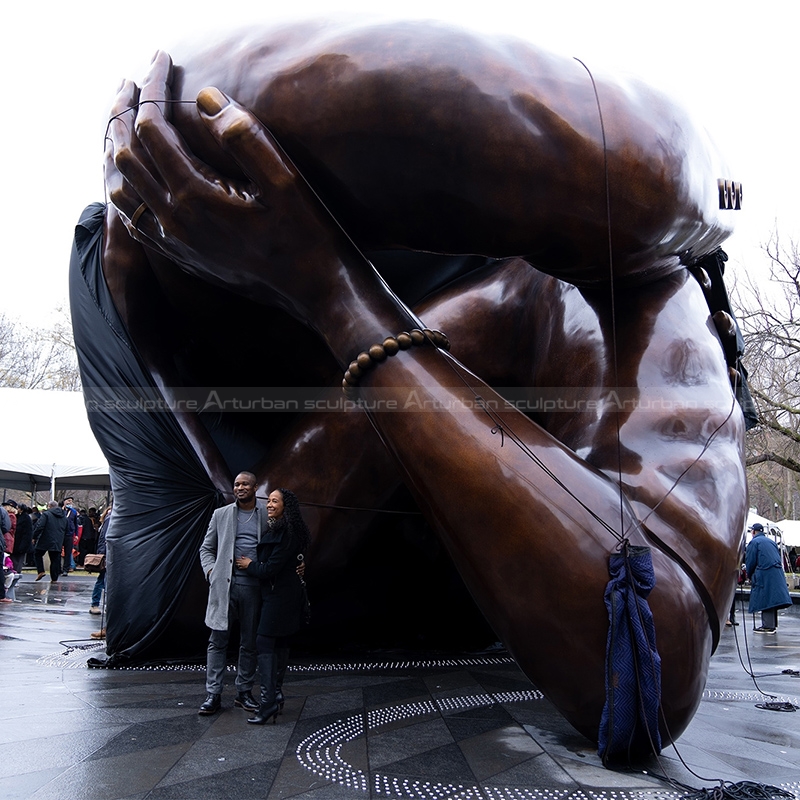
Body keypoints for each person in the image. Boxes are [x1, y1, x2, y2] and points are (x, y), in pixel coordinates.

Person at [93, 20, 750, 748]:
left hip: (289, 540)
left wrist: (336, 296)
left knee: (623, 197)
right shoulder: (138, 274)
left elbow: (650, 664)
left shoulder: (604, 300)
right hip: (210, 501)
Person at [235, 488, 310, 724]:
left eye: (274, 501)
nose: (269, 504)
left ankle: (267, 703)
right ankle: (275, 696)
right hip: (279, 595)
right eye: (268, 500)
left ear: (286, 506)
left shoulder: (287, 533)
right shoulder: (280, 528)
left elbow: (270, 569)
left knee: (264, 642)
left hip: (281, 598)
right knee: (278, 644)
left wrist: (249, 564)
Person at [197, 472, 266, 716]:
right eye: (236, 484)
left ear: (255, 487)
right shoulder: (221, 514)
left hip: (254, 587)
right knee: (217, 642)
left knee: (249, 642)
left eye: (245, 484)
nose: (240, 488)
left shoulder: (266, 513)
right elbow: (206, 548)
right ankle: (213, 694)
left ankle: (243, 692)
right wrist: (210, 572)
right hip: (224, 587)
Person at [745, 523, 792, 633]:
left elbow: (750, 561)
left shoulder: (754, 543)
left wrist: (749, 574)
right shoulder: (771, 542)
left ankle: (767, 626)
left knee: (766, 598)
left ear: (753, 532)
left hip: (764, 573)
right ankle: (772, 624)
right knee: (772, 598)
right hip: (776, 573)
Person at [32, 501, 67, 582]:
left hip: (46, 538)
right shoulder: (63, 516)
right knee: (55, 559)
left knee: (37, 554)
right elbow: (66, 528)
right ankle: (54, 578)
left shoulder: (46, 514)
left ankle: (41, 571)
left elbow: (40, 526)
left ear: (49, 506)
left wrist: (34, 536)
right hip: (58, 539)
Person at [90, 505, 111, 616]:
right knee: (104, 579)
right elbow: (106, 538)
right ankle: (96, 604)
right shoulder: (111, 519)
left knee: (103, 579)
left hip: (106, 553)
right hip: (108, 554)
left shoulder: (108, 518)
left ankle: (96, 604)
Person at [10, 504, 33, 575]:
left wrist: (24, 545)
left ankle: (17, 573)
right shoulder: (18, 517)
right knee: (14, 559)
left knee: (18, 560)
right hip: (16, 542)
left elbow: (28, 533)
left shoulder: (26, 518)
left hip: (21, 543)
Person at [60, 497, 78, 575]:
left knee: (68, 552)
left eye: (71, 501)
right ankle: (58, 568)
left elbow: (75, 524)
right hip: (60, 534)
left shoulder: (73, 512)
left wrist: (76, 534)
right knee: (58, 552)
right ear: (64, 501)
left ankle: (66, 569)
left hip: (69, 534)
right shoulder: (60, 511)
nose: (69, 502)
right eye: (68, 501)